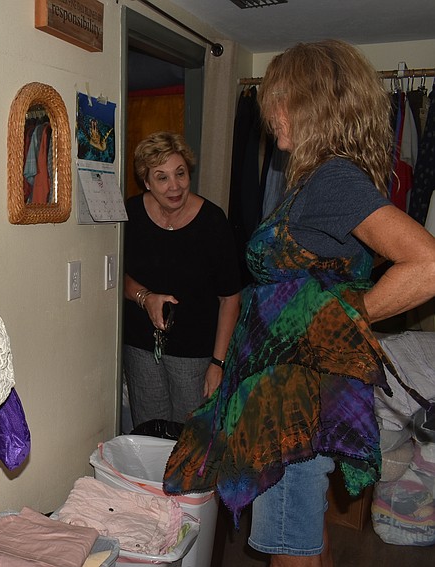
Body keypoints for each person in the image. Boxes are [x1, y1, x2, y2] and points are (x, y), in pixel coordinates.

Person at [163, 40, 435, 567]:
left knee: (291, 548)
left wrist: (335, 321)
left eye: (280, 101)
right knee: (308, 538)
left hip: (290, 404)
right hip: (293, 397)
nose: (272, 116)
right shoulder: (321, 180)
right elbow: (344, 269)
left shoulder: (332, 179)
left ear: (309, 105)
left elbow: (425, 264)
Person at [122, 131, 241, 429]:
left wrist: (218, 363)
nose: (174, 186)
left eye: (180, 173)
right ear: (146, 182)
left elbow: (230, 298)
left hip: (197, 356)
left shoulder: (213, 222)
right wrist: (145, 298)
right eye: (161, 177)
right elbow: (113, 276)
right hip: (141, 349)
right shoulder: (130, 215)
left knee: (193, 440)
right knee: (148, 434)